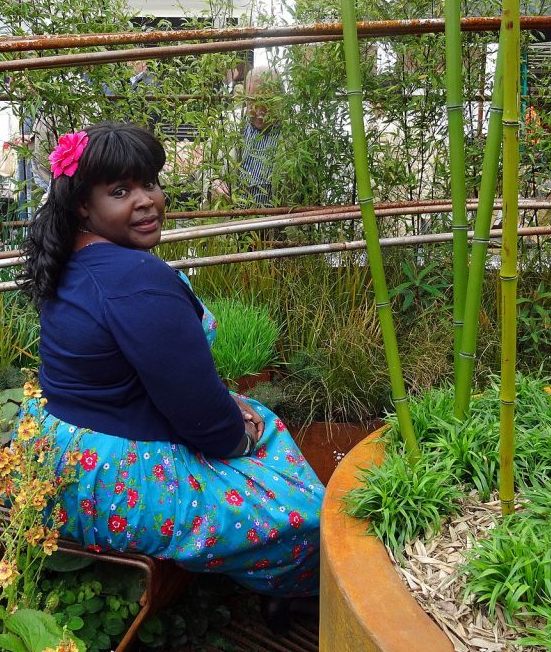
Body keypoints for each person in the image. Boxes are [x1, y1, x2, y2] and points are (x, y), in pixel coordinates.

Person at [17, 122, 323, 627]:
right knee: (305, 512)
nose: (146, 201)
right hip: (111, 481)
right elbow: (202, 418)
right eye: (120, 191)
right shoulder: (137, 281)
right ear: (82, 206)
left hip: (59, 455)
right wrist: (238, 437)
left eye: (150, 184)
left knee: (254, 418)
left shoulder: (71, 262)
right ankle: (292, 589)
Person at [239, 67, 283, 207]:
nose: (259, 112)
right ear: (245, 98)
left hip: (278, 223)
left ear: (280, 99)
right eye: (253, 102)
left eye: (267, 103)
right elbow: (203, 170)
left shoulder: (293, 134)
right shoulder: (230, 127)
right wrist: (214, 181)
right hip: (233, 222)